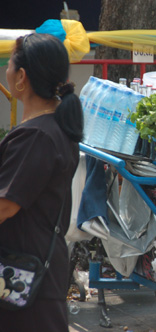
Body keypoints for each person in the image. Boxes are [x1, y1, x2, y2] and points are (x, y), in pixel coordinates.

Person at [0, 33, 82, 331]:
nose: (6, 71)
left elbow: (5, 206)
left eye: (9, 65)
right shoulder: (52, 127)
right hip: (28, 269)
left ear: (21, 77)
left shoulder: (38, 136)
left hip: (25, 273)